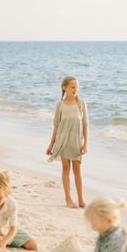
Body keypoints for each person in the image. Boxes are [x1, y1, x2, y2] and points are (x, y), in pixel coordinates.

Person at [46, 76, 90, 208]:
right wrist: (51, 144)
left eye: (77, 87)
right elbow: (56, 126)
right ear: (64, 88)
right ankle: (68, 198)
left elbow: (86, 124)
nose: (75, 89)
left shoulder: (81, 104)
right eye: (72, 87)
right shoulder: (60, 105)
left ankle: (81, 199)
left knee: (77, 170)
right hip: (63, 141)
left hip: (76, 142)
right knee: (66, 168)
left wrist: (85, 143)